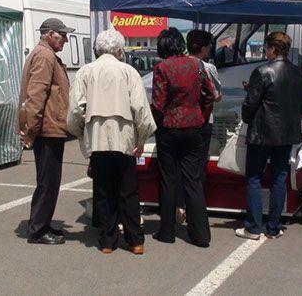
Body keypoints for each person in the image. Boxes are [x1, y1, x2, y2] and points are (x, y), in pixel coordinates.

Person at [67, 29, 156, 254]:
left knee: (103, 190)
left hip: (97, 137)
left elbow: (76, 109)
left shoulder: (85, 71)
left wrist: (80, 132)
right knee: (129, 190)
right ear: (119, 50)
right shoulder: (128, 71)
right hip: (124, 137)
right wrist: (142, 138)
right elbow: (140, 108)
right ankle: (135, 241)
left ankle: (108, 241)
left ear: (98, 50)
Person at [236, 31, 302, 240]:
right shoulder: (299, 73)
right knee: (279, 177)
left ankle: (253, 227)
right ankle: (274, 227)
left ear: (273, 49)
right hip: (286, 133)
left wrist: (247, 115)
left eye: (266, 48)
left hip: (262, 131)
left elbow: (251, 104)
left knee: (254, 177)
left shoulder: (262, 71)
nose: (265, 51)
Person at [151, 27, 215, 247]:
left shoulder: (162, 68)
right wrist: (201, 116)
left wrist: (157, 122)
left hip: (169, 129)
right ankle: (201, 235)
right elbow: (209, 95)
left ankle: (167, 232)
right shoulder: (197, 65)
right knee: (193, 181)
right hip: (194, 127)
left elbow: (158, 103)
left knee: (168, 180)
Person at [18, 18, 74, 245]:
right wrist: (30, 130)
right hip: (47, 128)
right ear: (50, 34)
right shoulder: (44, 56)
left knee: (48, 180)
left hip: (48, 126)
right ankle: (38, 230)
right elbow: (36, 95)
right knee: (48, 181)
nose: (66, 40)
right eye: (62, 35)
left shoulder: (44, 54)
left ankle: (42, 223)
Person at [174, 29, 222, 224]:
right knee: (199, 167)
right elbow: (216, 95)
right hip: (202, 122)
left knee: (181, 165)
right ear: (203, 48)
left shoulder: (178, 65)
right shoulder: (208, 68)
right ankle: (196, 209)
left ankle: (179, 205)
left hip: (181, 122)